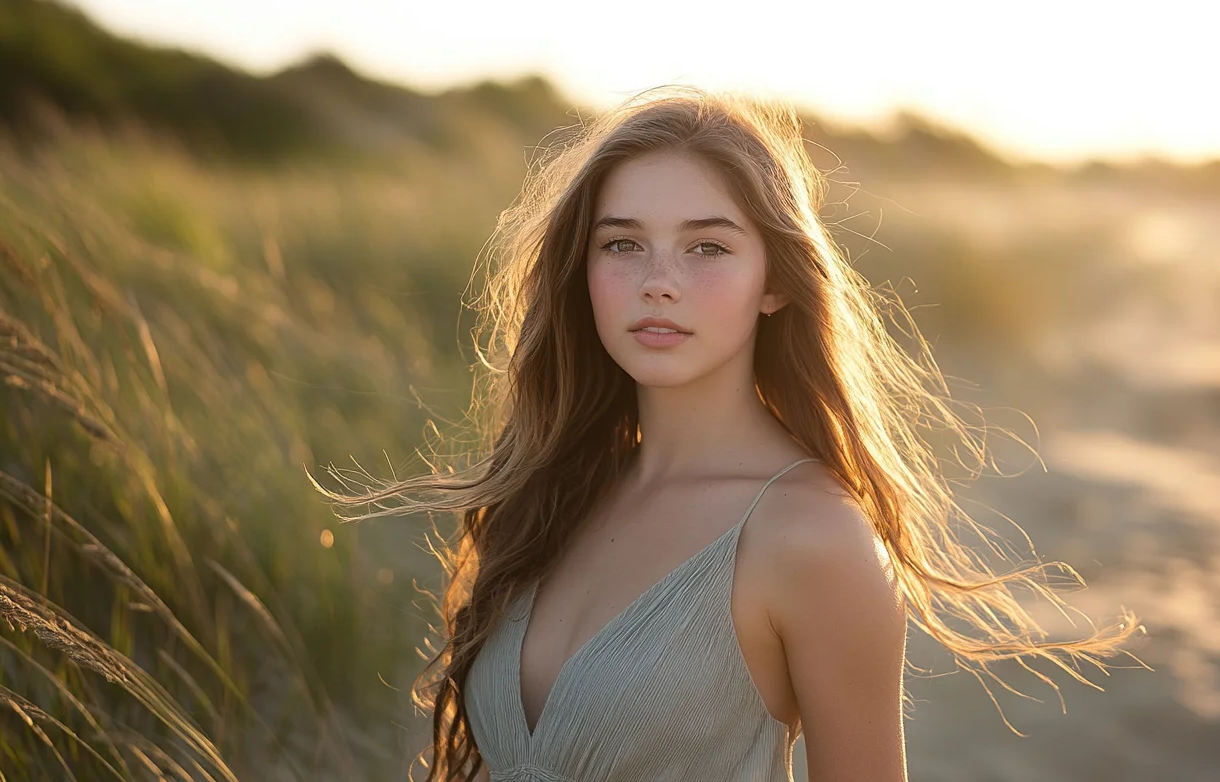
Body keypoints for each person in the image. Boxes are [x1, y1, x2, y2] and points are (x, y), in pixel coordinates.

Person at [319, 85, 1140, 782]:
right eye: (622, 244)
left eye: (706, 247)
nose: (658, 282)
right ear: (584, 272)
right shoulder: (555, 491)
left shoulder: (812, 536)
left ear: (774, 282)